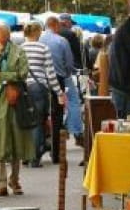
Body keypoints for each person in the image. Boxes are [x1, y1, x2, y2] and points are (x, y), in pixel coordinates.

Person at [0, 20, 33, 196]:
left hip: (13, 101)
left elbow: (22, 74)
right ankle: (1, 184)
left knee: (14, 141)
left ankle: (14, 180)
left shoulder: (19, 52)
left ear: (6, 34)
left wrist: (2, 75)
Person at [20, 22, 64, 168]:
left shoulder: (20, 49)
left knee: (25, 122)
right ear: (38, 32)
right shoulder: (43, 48)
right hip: (39, 88)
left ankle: (25, 155)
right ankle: (35, 157)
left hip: (23, 88)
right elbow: (50, 74)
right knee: (38, 122)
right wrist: (59, 92)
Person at [39, 16, 74, 162]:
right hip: (57, 80)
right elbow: (69, 64)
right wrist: (65, 74)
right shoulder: (61, 41)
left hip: (39, 81)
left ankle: (37, 150)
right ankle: (56, 153)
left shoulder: (37, 40)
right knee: (57, 116)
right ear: (55, 25)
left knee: (40, 115)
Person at [57, 14, 85, 145]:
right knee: (74, 102)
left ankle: (60, 129)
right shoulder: (71, 35)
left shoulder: (50, 34)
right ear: (66, 22)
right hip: (68, 73)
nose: (71, 25)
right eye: (70, 23)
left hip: (52, 75)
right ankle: (76, 131)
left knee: (59, 103)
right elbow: (76, 56)